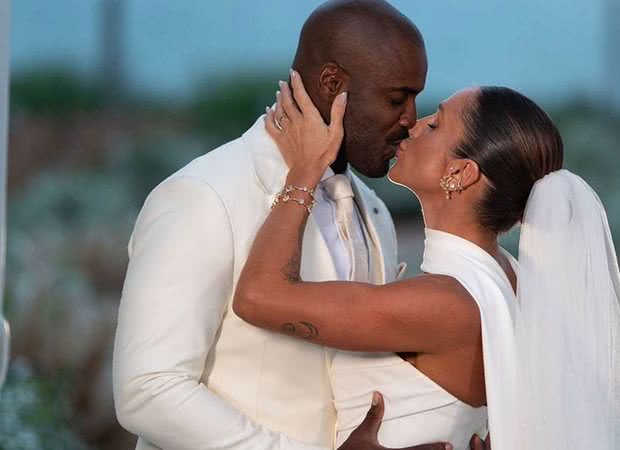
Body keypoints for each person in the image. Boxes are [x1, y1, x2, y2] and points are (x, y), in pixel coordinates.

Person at [112, 1, 453, 449]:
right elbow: (147, 389)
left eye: (415, 98)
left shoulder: (374, 212)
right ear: (333, 85)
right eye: (396, 98)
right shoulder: (203, 196)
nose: (410, 119)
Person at [232, 72, 620, 449]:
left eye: (437, 124)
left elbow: (257, 297)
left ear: (461, 173)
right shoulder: (508, 277)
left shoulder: (447, 303)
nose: (414, 124)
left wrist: (304, 170)